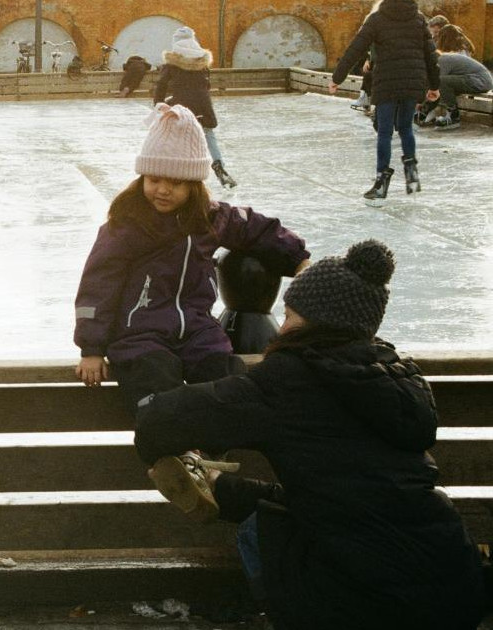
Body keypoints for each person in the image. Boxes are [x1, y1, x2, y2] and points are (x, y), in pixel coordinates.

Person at [132, 240, 486, 630]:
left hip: (365, 606)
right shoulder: (397, 377)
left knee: (260, 532)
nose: (280, 329)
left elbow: (159, 421)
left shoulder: (290, 378)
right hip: (454, 586)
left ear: (314, 322)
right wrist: (221, 488)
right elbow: (344, 500)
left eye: (288, 316)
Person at [74, 104, 309, 513]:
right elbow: (97, 285)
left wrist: (297, 259)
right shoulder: (126, 225)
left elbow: (259, 228)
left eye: (176, 182)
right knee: (155, 377)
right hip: (139, 331)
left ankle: (198, 459)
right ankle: (171, 458)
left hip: (197, 327)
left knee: (225, 372)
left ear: (195, 184)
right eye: (154, 179)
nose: (162, 190)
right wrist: (91, 347)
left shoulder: (210, 219)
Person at [331, 0, 440, 203]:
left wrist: (337, 77)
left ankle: (381, 184)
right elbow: (430, 55)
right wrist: (434, 86)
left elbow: (356, 48)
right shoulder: (418, 19)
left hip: (387, 82)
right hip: (412, 82)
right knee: (406, 128)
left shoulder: (377, 19)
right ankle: (412, 175)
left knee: (384, 132)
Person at [153, 27, 236, 188]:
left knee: (176, 133)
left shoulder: (172, 63)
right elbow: (207, 85)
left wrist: (159, 102)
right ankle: (219, 165)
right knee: (208, 133)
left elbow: (161, 84)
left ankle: (179, 170)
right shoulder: (202, 62)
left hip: (181, 103)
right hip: (203, 104)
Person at [429, 49, 492, 130]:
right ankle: (448, 115)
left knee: (441, 81)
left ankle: (453, 116)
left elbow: (435, 86)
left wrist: (425, 108)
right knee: (444, 83)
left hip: (480, 80)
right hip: (478, 80)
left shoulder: (441, 61)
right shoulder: (443, 58)